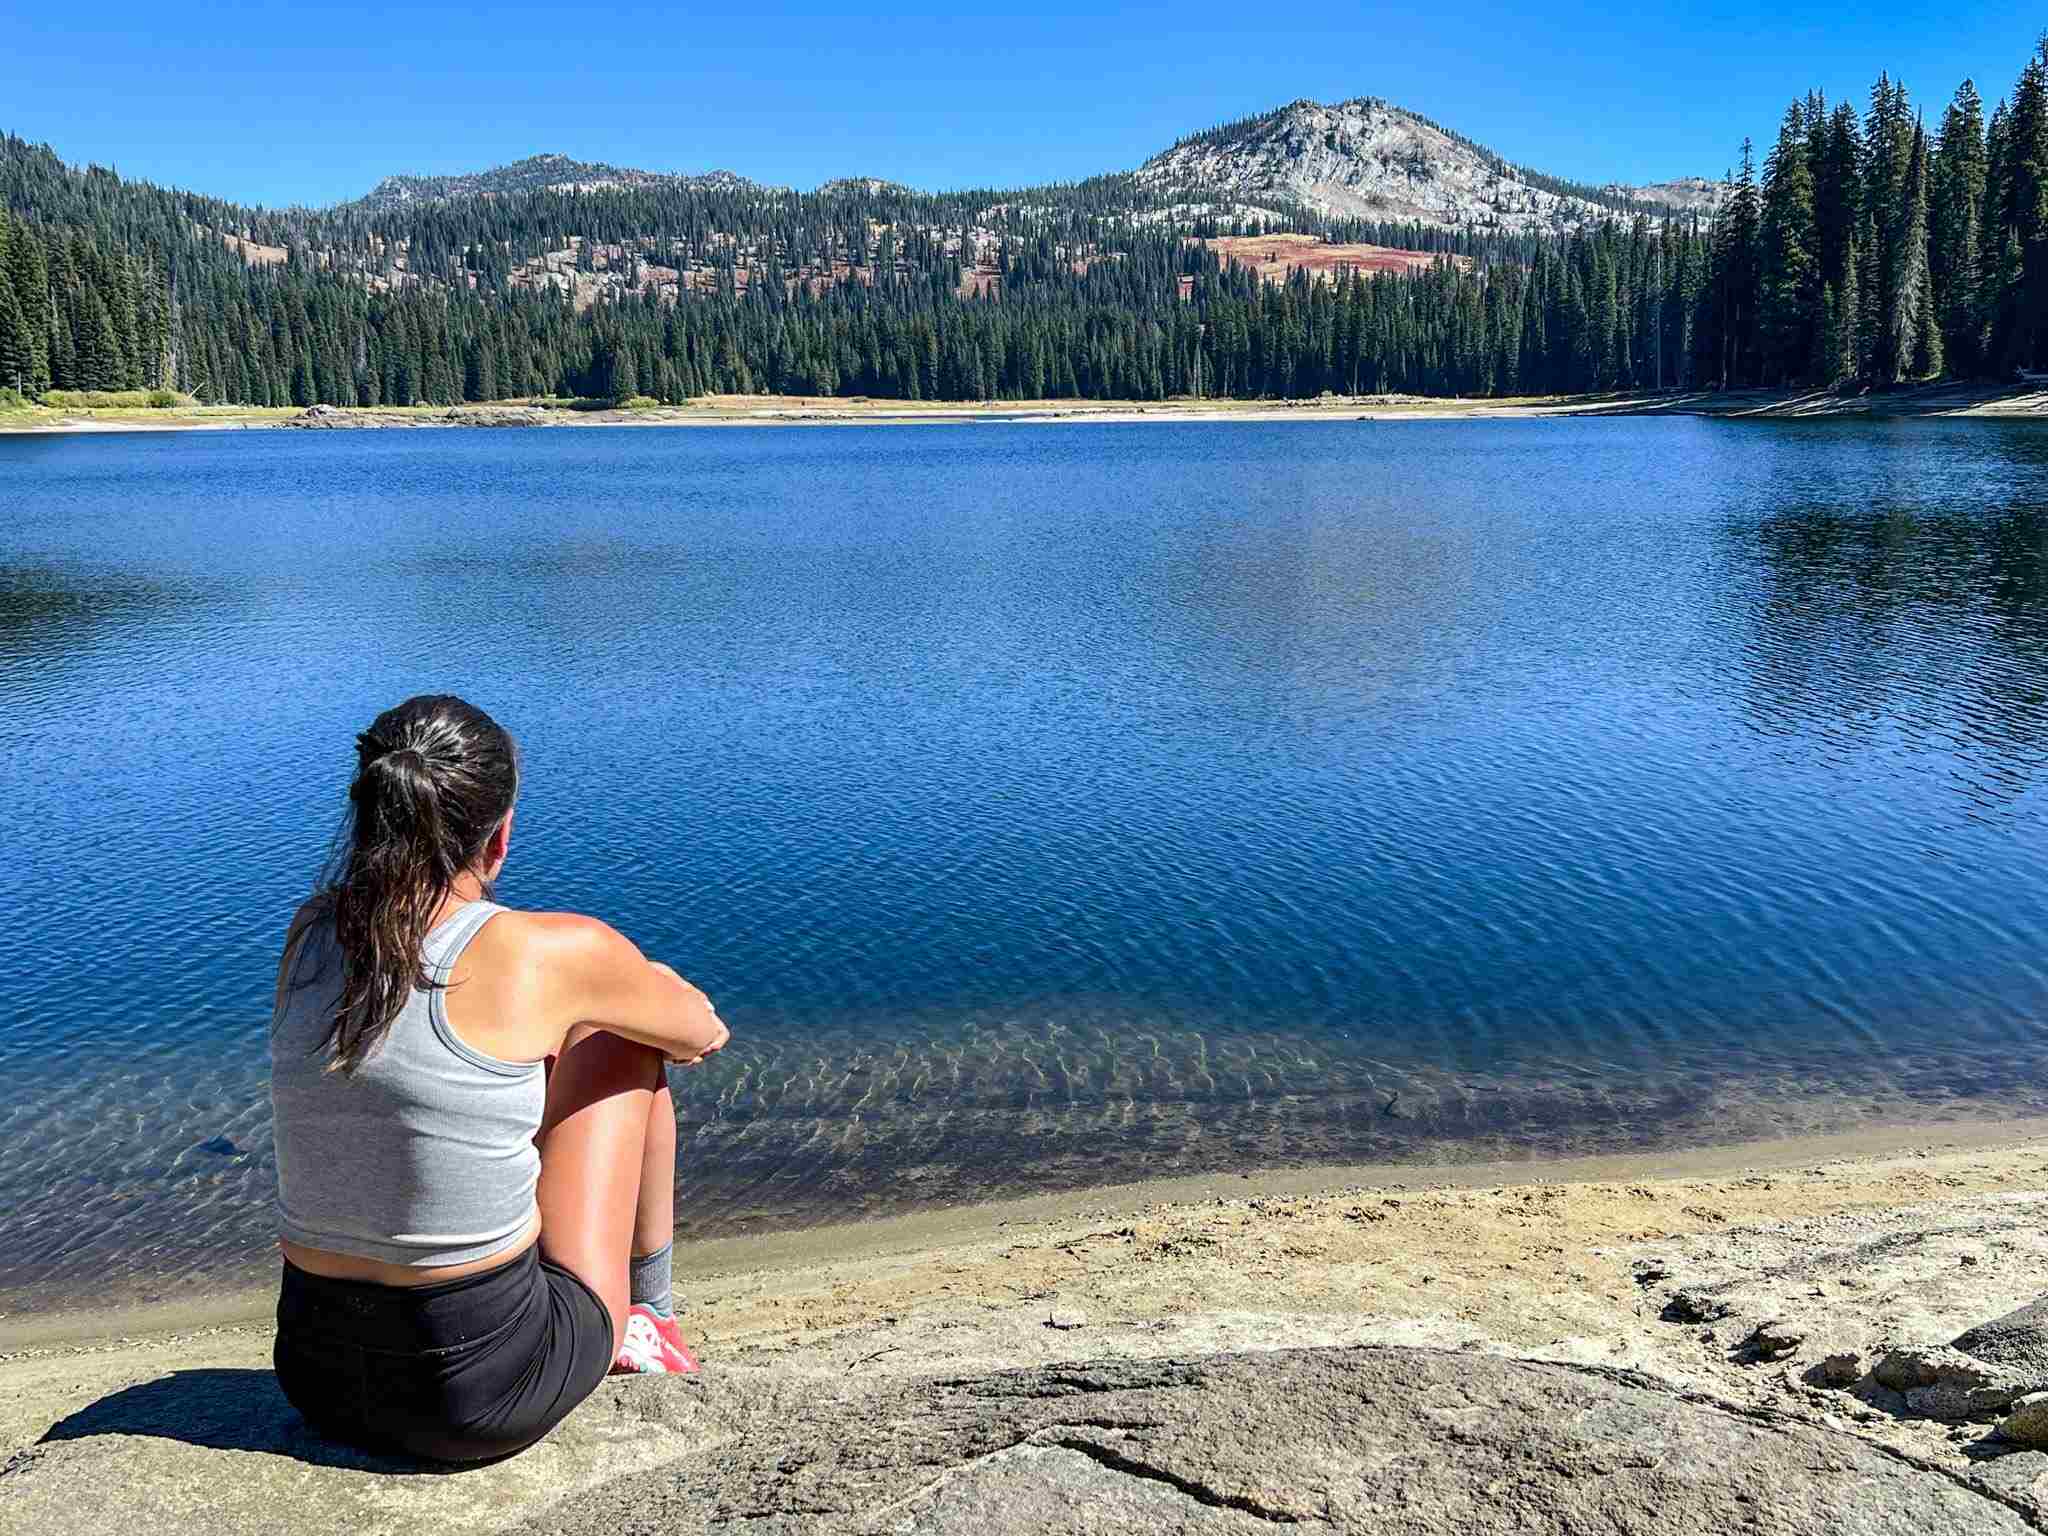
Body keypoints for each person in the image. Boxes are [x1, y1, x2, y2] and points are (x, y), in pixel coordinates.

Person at [267, 694, 729, 1463]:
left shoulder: (313, 930)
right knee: (620, 1038)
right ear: (500, 837)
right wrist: (639, 986)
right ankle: (648, 1317)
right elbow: (701, 1031)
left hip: (315, 1378)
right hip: (483, 1396)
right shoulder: (551, 951)